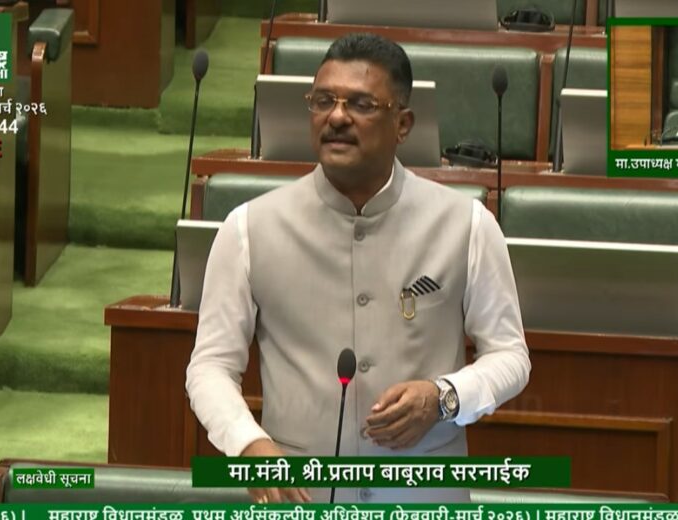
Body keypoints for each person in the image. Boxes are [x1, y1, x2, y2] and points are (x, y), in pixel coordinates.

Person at [186, 33, 531, 504]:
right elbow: (210, 366)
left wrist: (444, 397)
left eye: (361, 104)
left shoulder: (467, 225)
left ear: (403, 124)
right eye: (323, 101)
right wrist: (247, 444)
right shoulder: (248, 228)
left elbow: (510, 356)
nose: (337, 117)